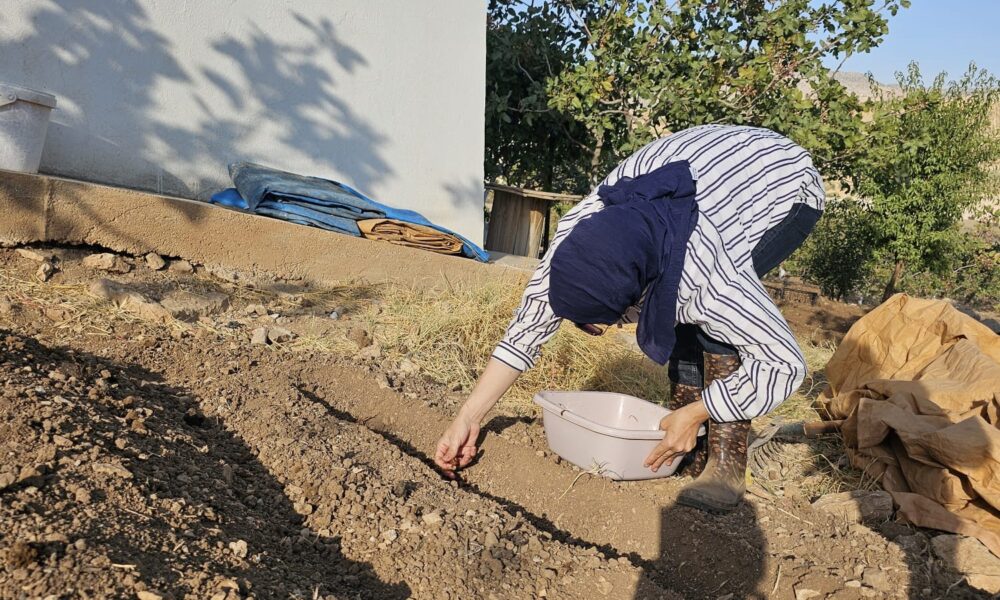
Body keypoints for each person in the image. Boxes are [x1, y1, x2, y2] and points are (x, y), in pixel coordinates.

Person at [434, 125, 825, 513]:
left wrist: (697, 412)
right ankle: (687, 445)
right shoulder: (579, 236)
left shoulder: (712, 275)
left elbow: (784, 364)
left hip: (784, 183)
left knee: (715, 330)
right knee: (679, 312)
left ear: (635, 298)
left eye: (603, 322)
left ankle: (725, 464)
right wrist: (468, 417)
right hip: (709, 171)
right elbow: (527, 328)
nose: (598, 331)